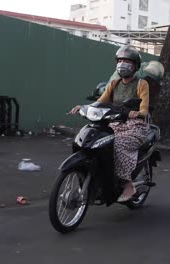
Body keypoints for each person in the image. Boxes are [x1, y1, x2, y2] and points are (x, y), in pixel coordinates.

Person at [69, 45, 150, 202]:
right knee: (95, 141)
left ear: (135, 66)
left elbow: (144, 108)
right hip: (115, 124)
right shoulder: (113, 84)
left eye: (127, 61)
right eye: (120, 60)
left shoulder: (141, 84)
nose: (122, 64)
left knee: (117, 144)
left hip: (135, 126)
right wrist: (83, 107)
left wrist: (138, 113)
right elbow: (100, 102)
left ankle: (128, 185)